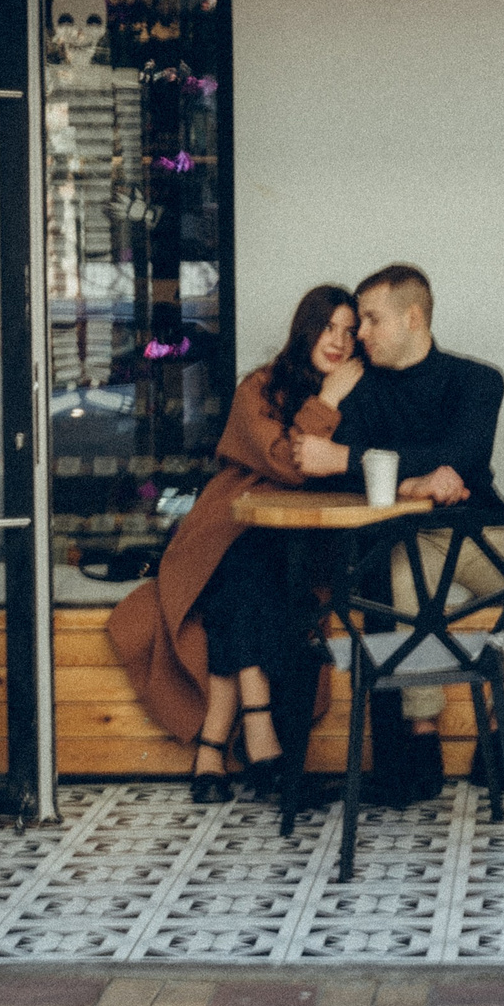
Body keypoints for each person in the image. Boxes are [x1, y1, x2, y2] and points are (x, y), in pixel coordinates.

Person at [302, 264, 504, 800]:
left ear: (412, 318)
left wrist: (360, 461)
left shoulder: (478, 380)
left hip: (478, 532)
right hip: (401, 536)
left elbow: (463, 458)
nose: (359, 333)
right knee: (404, 584)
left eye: (371, 319)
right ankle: (421, 741)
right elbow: (343, 471)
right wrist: (418, 477)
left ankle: (502, 743)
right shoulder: (359, 386)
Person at [109, 285, 361, 801]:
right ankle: (262, 736)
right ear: (306, 328)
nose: (338, 341)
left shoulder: (363, 389)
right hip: (225, 530)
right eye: (329, 327)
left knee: (246, 588)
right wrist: (329, 399)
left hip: (302, 542)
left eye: (350, 331)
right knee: (247, 567)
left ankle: (212, 748)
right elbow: (287, 462)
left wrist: (342, 397)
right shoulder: (260, 387)